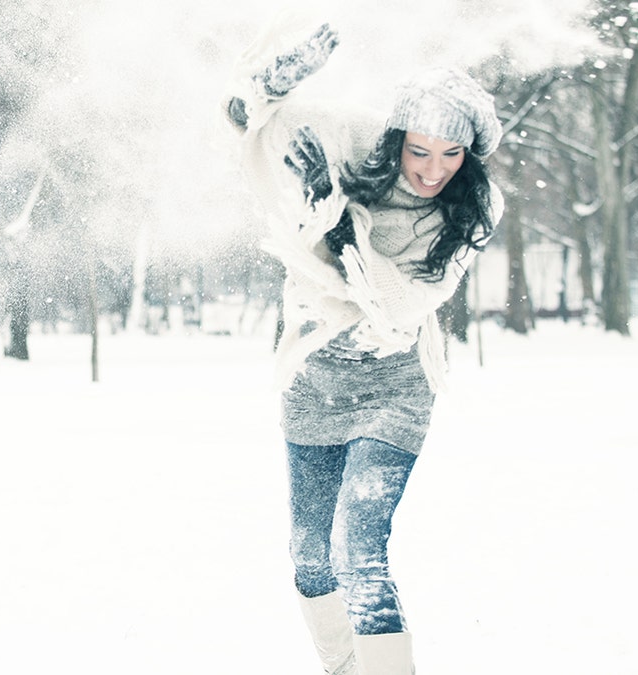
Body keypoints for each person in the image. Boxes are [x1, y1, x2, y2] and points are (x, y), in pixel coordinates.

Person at [223, 22, 505, 675]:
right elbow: (251, 122)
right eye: (421, 151)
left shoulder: (471, 211)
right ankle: (347, 666)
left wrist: (336, 221)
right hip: (314, 377)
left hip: (396, 385)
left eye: (452, 156)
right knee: (311, 554)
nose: (434, 170)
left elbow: (401, 301)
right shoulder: (356, 137)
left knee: (358, 544)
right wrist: (275, 83)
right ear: (397, 138)